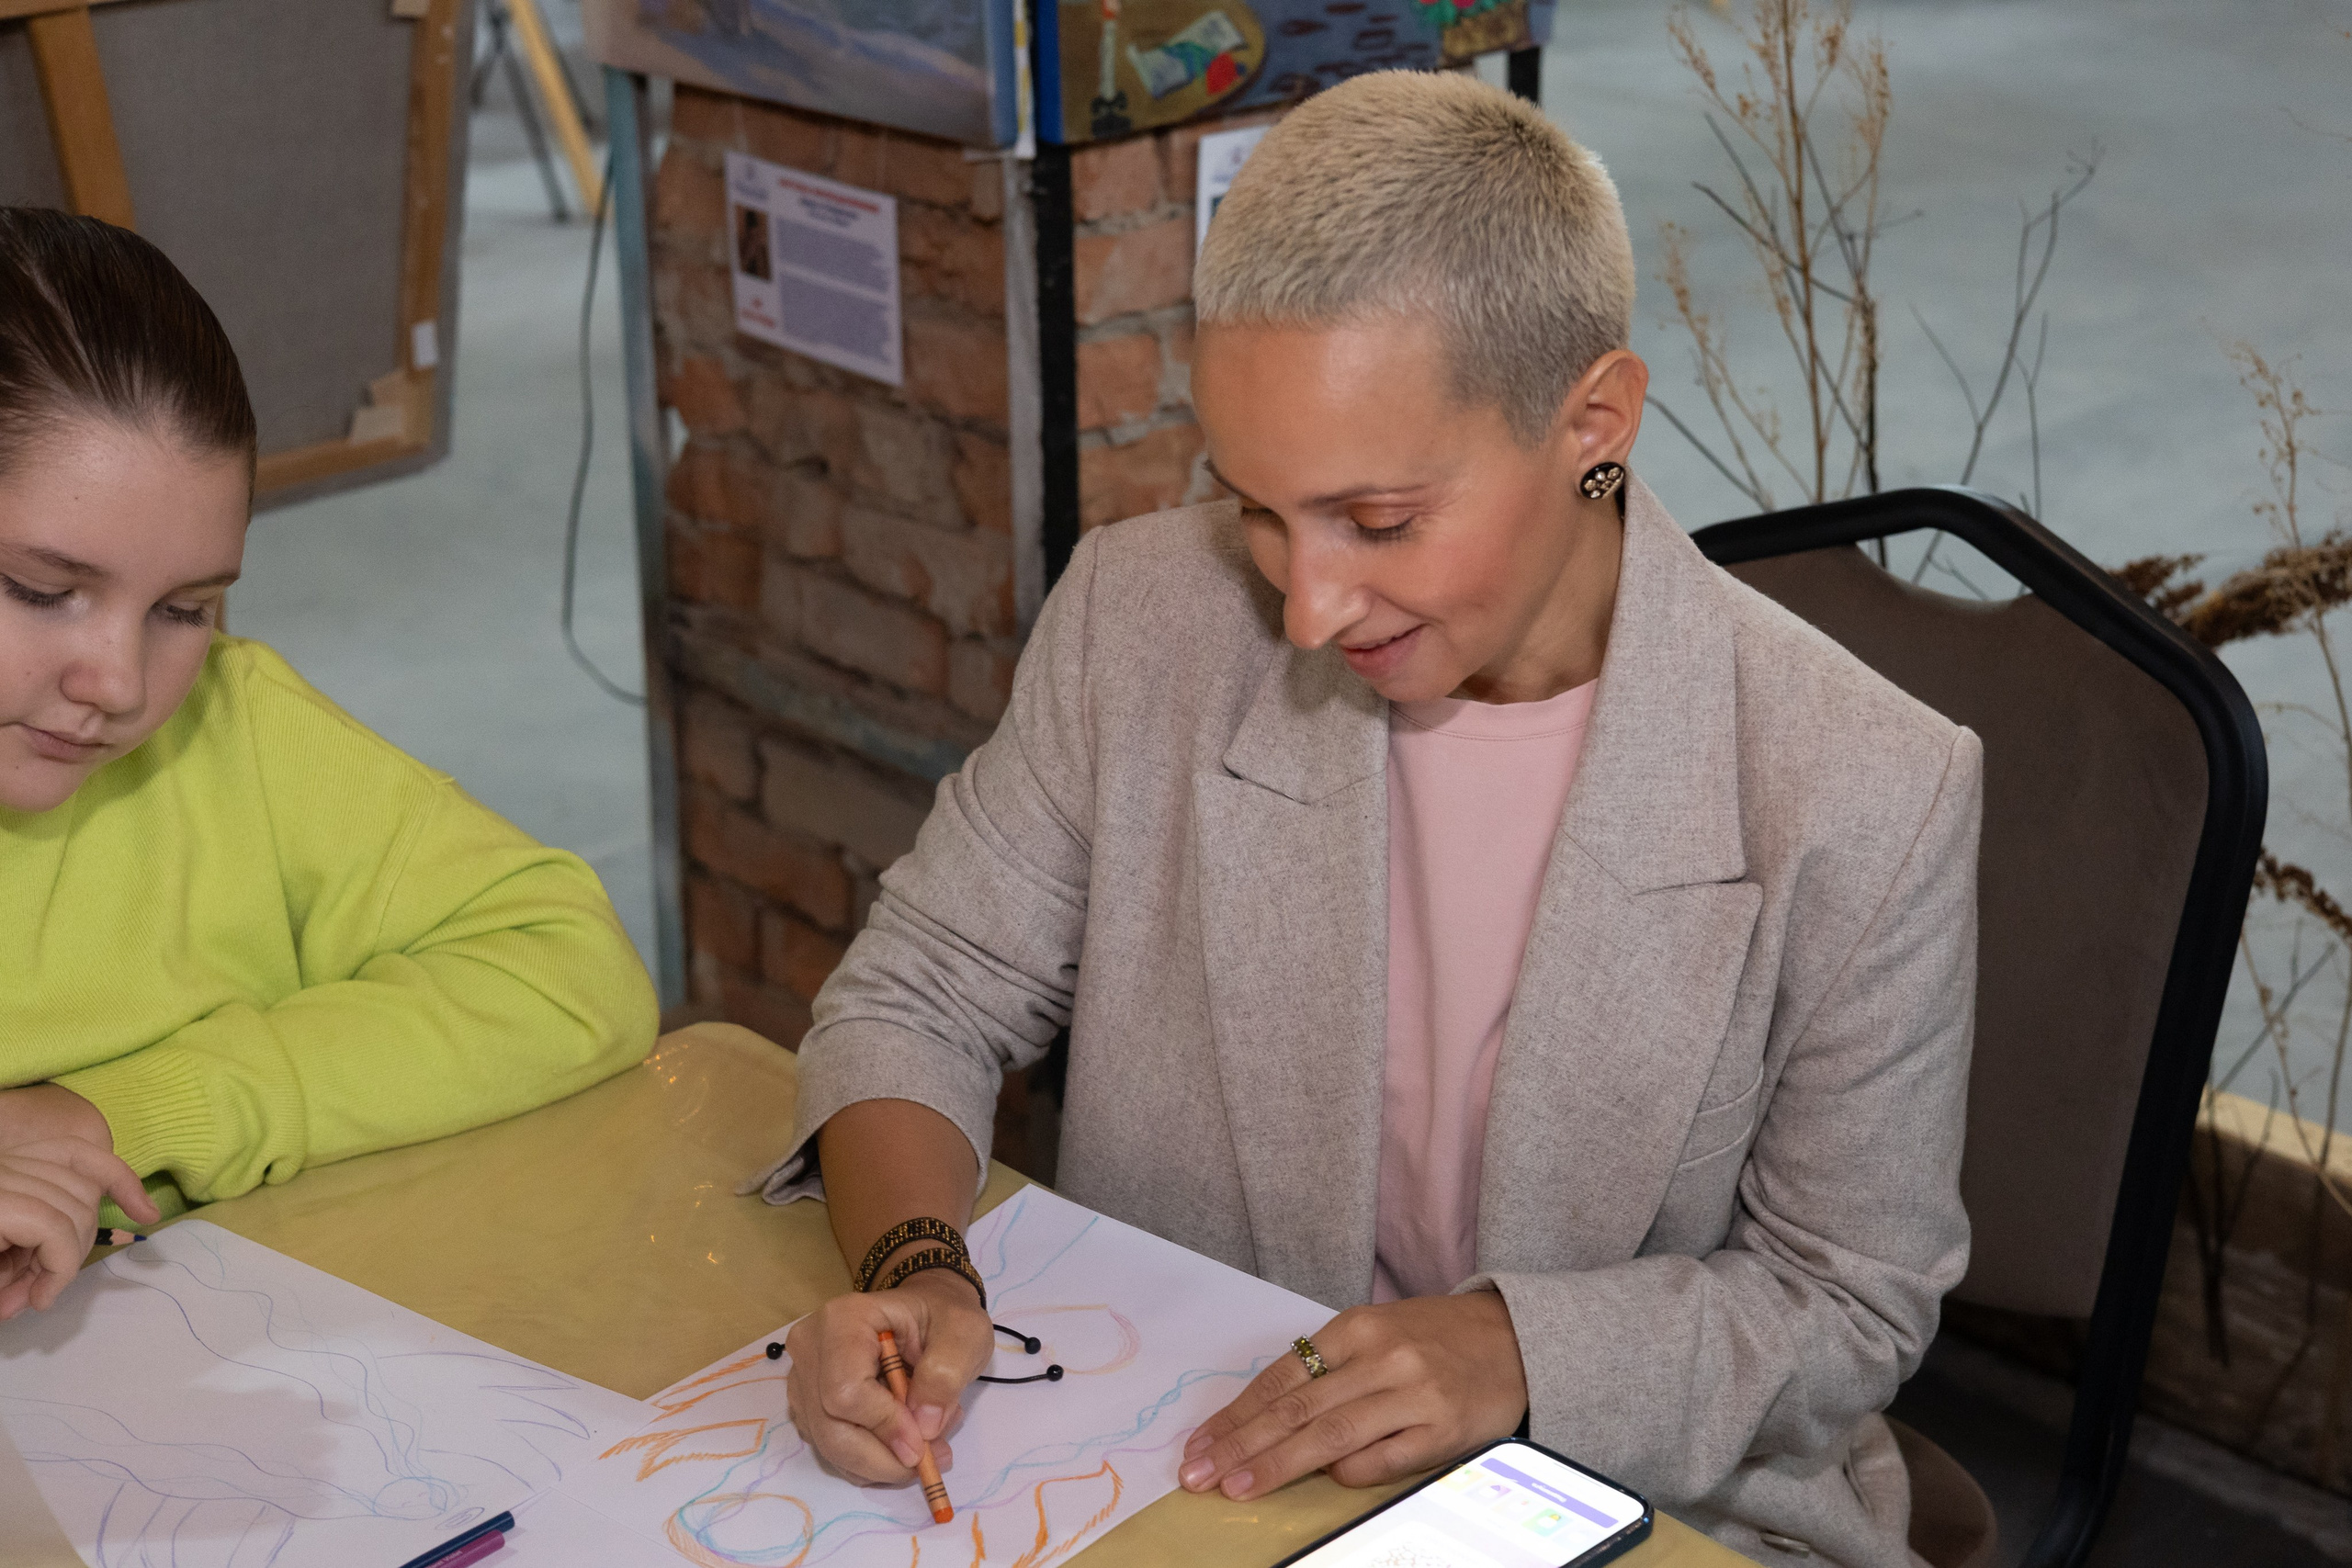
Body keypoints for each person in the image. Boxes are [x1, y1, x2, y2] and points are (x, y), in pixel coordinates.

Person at [759, 72, 1979, 1568]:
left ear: (1592, 419)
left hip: (1650, 1500)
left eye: (1381, 522)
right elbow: (920, 992)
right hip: (1189, 1445)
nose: (1306, 603)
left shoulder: (1866, 785)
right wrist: (916, 1264)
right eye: (1260, 507)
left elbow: (1849, 1302)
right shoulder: (1142, 619)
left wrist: (1517, 1353)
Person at [0, 209, 658, 1321]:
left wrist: (117, 1113)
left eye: (183, 607)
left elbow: (568, 971)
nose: (117, 681)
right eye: (40, 590)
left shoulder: (233, 726)